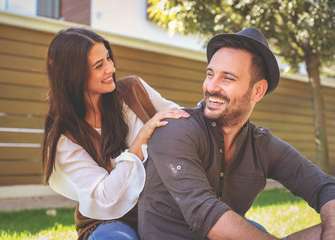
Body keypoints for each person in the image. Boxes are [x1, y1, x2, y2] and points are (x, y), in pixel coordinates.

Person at [138, 27, 335, 240]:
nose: (211, 87)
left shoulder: (262, 145)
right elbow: (205, 213)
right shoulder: (176, 128)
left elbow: (324, 187)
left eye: (227, 78)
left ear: (258, 90)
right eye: (210, 74)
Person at [41, 28, 189, 240]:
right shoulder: (65, 139)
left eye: (108, 58)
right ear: (74, 75)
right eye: (99, 65)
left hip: (163, 209)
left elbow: (181, 119)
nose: (111, 68)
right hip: (109, 222)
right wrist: (139, 143)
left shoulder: (134, 90)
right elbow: (106, 198)